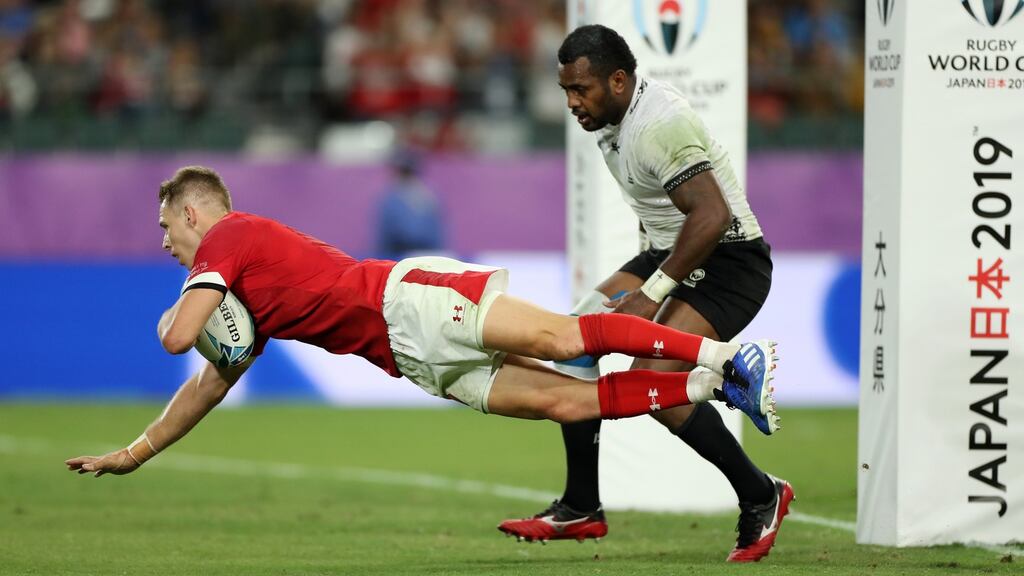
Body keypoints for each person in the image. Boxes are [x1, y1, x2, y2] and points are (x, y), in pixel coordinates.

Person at [65, 167, 778, 494]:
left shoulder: (229, 236)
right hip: (409, 357)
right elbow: (207, 386)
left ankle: (724, 354)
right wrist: (135, 453)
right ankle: (707, 386)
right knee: (566, 402)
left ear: (193, 214)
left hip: (409, 301)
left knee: (565, 340)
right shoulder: (243, 300)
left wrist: (169, 314)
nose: (165, 242)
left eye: (166, 227)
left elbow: (175, 338)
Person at [496, 25, 793, 563]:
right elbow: (659, 209)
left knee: (652, 386)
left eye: (580, 89)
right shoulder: (613, 119)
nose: (571, 102)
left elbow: (712, 215)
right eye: (566, 90)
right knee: (571, 345)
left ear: (618, 80)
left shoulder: (660, 124)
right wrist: (649, 272)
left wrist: (653, 292)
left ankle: (760, 493)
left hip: (729, 264)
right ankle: (581, 505)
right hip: (669, 253)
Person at [374, 148, 445, 259]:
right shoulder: (393, 196)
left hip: (417, 253)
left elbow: (431, 232)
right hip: (400, 253)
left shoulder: (425, 195)